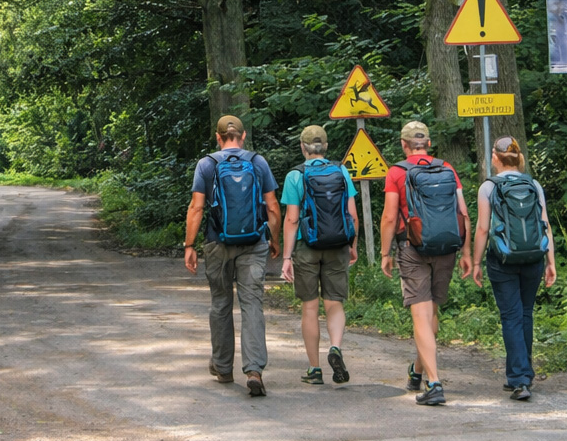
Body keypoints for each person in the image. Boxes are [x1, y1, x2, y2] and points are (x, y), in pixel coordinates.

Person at [184, 114, 282, 397]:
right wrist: (274, 239)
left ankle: (223, 367)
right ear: (244, 135)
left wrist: (189, 245)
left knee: (221, 302)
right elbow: (272, 206)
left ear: (218, 137)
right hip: (254, 242)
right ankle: (254, 370)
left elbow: (196, 208)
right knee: (252, 304)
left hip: (217, 243)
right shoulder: (258, 162)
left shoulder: (207, 164)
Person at [378, 121, 471, 406]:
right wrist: (466, 253)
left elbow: (390, 217)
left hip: (413, 246)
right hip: (447, 247)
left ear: (404, 144)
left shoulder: (397, 172)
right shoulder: (447, 169)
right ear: (428, 144)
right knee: (431, 313)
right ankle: (418, 371)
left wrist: (385, 253)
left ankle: (434, 382)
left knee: (421, 315)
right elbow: (463, 213)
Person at [470, 136, 556, 401]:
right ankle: (520, 374)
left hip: (503, 258)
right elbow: (545, 224)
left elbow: (483, 229)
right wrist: (551, 261)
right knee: (525, 314)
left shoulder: (488, 187)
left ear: (495, 157)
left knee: (511, 316)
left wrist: (475, 262)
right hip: (533, 257)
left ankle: (520, 380)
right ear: (518, 158)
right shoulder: (533, 184)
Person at [279, 125, 359, 385]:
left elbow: (292, 220)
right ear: (325, 146)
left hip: (307, 247)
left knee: (310, 307)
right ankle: (335, 347)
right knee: (334, 303)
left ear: (302, 147)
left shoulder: (295, 176)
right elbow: (352, 215)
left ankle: (315, 369)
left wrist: (287, 258)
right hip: (337, 245)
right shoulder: (342, 171)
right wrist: (352, 245)